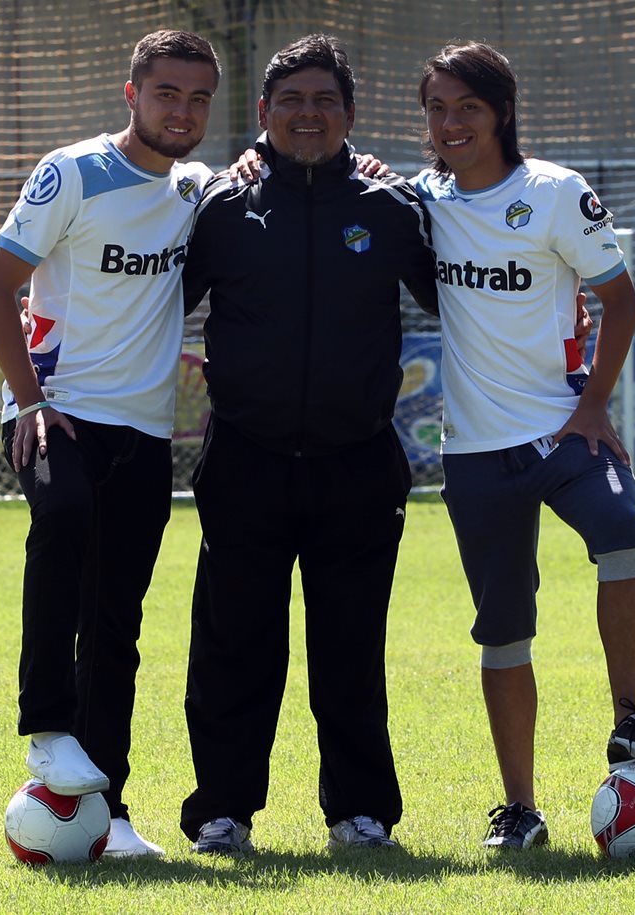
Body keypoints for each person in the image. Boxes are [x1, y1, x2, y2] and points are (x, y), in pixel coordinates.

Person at [413, 40, 635, 850]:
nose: (451, 122)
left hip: (565, 427)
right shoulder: (420, 199)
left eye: (467, 106)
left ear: (502, 110)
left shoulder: (557, 193)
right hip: (473, 451)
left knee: (622, 532)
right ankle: (521, 808)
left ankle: (631, 719)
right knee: (503, 627)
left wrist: (596, 403)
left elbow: (620, 300)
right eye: (437, 108)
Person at [177, 34, 440, 856]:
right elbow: (152, 302)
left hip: (358, 460)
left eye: (325, 100)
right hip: (246, 459)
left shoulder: (390, 208)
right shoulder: (221, 204)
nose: (308, 114)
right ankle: (223, 811)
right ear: (263, 115)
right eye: (290, 101)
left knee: (351, 648)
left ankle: (360, 813)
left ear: (351, 115)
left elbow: (464, 295)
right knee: (233, 647)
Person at [0, 29, 221, 858]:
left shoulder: (198, 189)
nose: (181, 111)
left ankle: (109, 817)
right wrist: (32, 400)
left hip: (144, 431)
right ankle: (46, 724)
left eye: (197, 98)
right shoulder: (72, 171)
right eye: (166, 94)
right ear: (132, 94)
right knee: (66, 514)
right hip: (56, 411)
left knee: (117, 620)